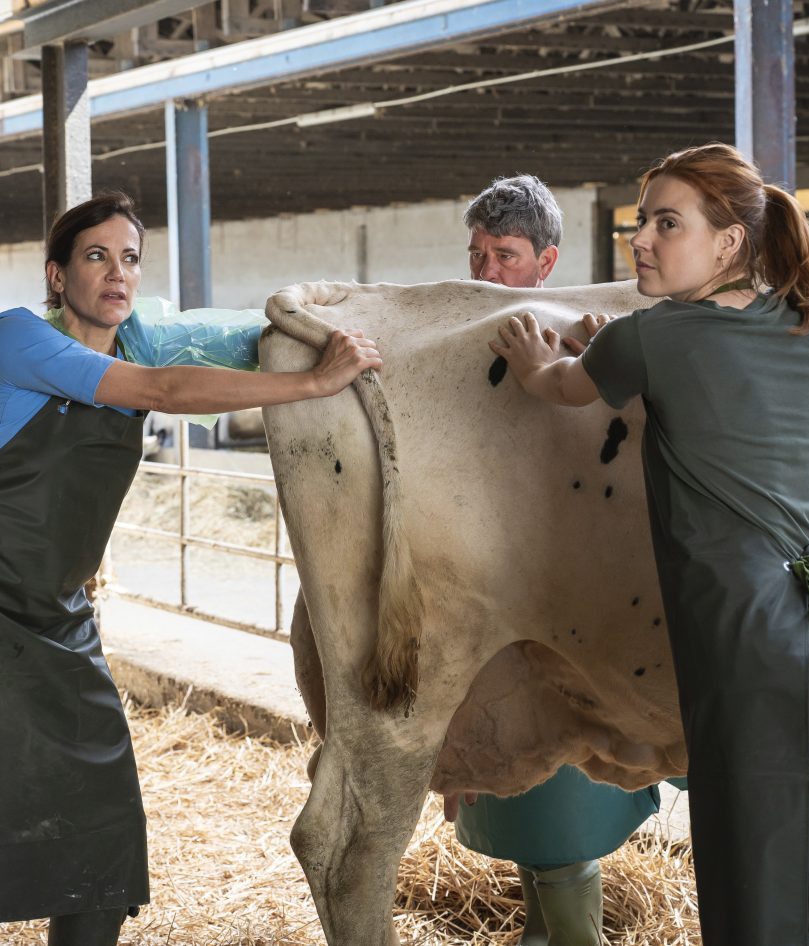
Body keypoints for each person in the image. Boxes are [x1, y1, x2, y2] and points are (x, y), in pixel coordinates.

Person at [0, 191, 381, 946]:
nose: (117, 273)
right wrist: (313, 383)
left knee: (103, 829)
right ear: (57, 276)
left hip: (57, 623)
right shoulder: (17, 336)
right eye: (95, 256)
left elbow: (244, 333)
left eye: (130, 258)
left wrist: (341, 330)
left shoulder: (141, 344)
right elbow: (162, 392)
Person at [488, 143, 809, 945]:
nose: (642, 240)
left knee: (759, 926)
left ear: (728, 243)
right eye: (641, 223)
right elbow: (701, 388)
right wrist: (614, 347)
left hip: (764, 677)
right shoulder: (801, 330)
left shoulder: (653, 339)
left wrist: (536, 360)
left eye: (669, 224)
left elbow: (560, 388)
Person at [288, 174, 663, 946]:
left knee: (563, 839)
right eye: (477, 253)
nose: (486, 272)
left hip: (577, 626)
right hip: (496, 631)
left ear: (547, 260)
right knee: (532, 828)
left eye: (505, 255)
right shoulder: (456, 357)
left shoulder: (578, 335)